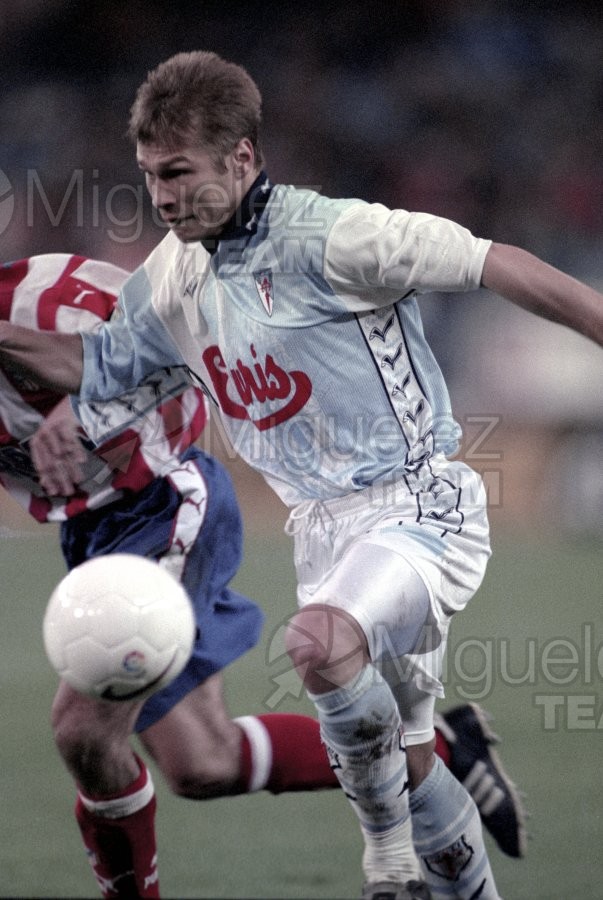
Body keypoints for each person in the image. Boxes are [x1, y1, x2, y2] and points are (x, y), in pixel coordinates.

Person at [8, 47, 594, 898]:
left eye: (179, 172)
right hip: (320, 532)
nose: (162, 196)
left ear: (242, 159)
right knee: (415, 758)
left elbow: (495, 262)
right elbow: (99, 363)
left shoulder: (335, 236)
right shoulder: (173, 276)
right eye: (147, 175)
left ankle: (383, 860)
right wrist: (70, 402)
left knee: (317, 647)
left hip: (417, 504)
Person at [0, 253, 525, 900]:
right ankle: (440, 753)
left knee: (83, 730)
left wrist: (86, 394)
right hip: (91, 537)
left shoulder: (45, 298)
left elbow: (177, 322)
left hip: (164, 504)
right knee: (202, 763)